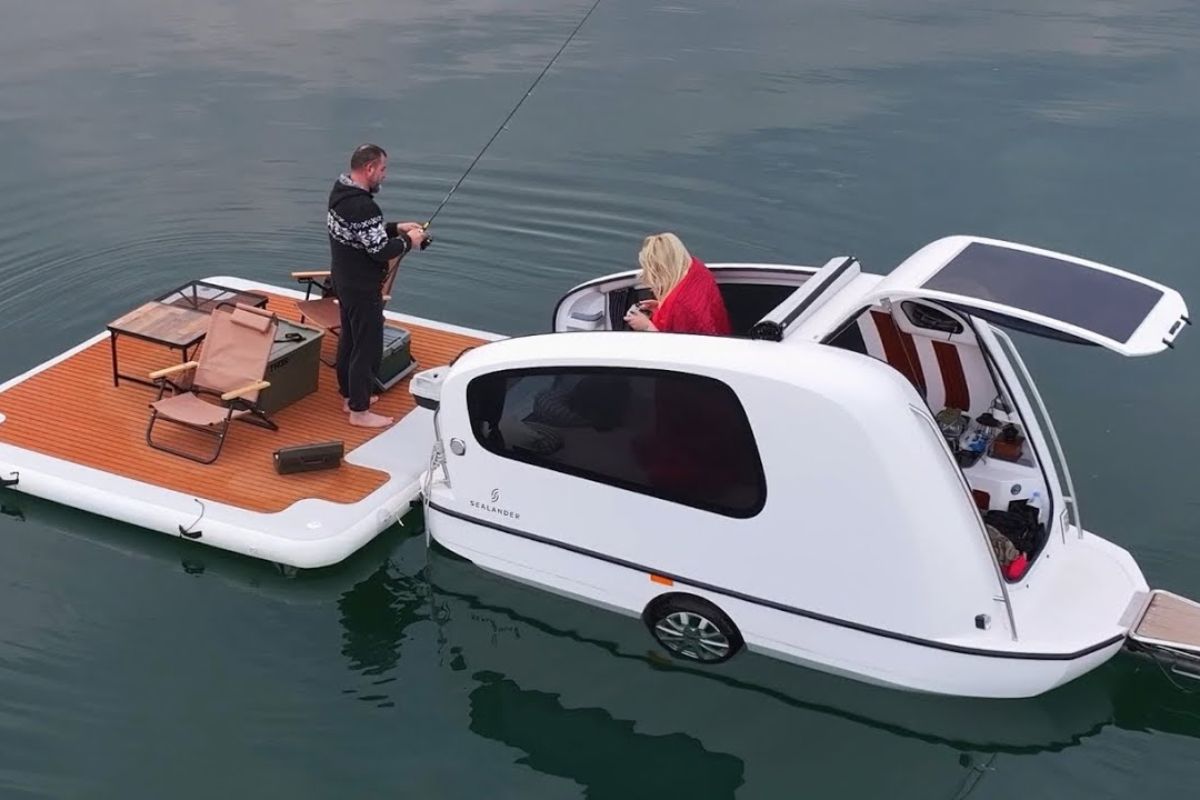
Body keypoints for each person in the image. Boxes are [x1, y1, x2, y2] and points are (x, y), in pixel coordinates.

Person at [327, 143, 427, 427]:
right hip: (362, 287)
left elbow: (362, 232)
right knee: (367, 347)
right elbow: (380, 250)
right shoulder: (363, 205)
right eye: (383, 169)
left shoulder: (340, 192)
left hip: (344, 281)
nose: (385, 175)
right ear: (369, 169)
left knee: (350, 338)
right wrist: (411, 240)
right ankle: (359, 411)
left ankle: (349, 396)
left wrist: (397, 228)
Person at [622, 232, 732, 335]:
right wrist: (661, 307)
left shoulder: (681, 306)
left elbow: (675, 350)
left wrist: (646, 326)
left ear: (662, 269)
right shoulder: (698, 270)